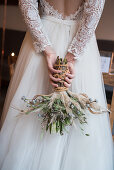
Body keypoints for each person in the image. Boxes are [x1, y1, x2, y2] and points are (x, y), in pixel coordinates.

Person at [0, 0, 113, 169]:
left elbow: (27, 4)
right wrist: (72, 56)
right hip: (80, 42)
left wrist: (48, 50)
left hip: (43, 35)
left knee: (28, 115)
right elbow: (93, 12)